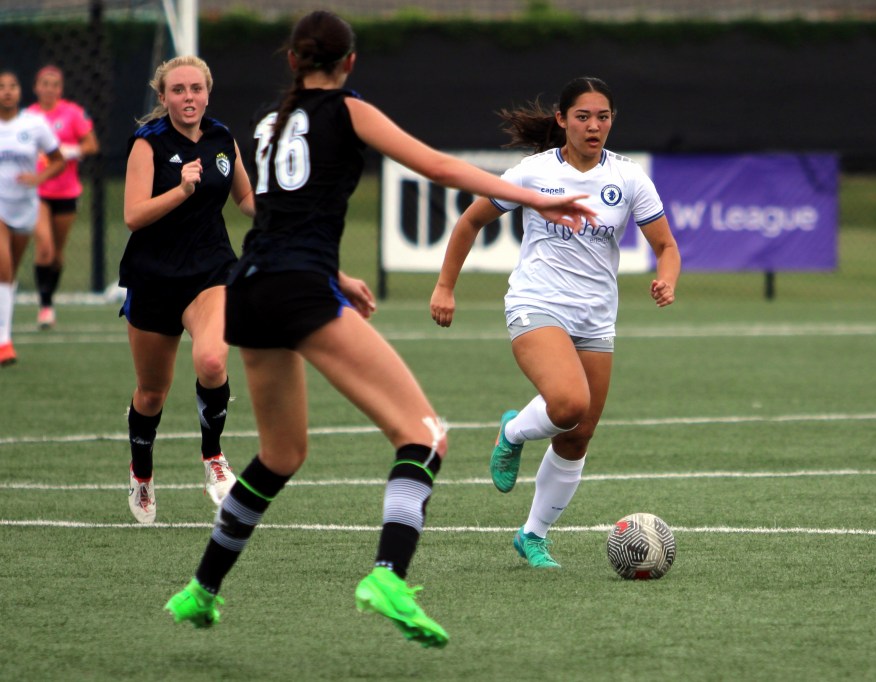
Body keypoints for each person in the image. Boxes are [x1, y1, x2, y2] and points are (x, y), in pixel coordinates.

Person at [163, 11, 596, 648]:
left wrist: (334, 274)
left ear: (292, 61)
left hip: (251, 287)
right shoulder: (348, 108)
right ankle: (388, 576)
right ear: (351, 63)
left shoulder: (269, 123)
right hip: (297, 288)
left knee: (280, 455)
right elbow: (439, 168)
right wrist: (540, 198)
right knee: (423, 436)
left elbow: (278, 218)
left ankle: (200, 589)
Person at [429, 76, 680, 570]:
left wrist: (666, 279)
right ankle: (514, 433)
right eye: (583, 116)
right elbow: (470, 221)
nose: (594, 126)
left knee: (577, 434)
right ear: (562, 120)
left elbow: (666, 246)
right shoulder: (532, 173)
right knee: (567, 402)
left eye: (603, 116)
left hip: (596, 316)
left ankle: (532, 535)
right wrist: (444, 286)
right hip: (536, 303)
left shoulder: (629, 179)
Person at [119, 55, 254, 524]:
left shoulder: (222, 138)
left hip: (210, 270)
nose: (188, 97)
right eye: (178, 90)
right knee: (152, 392)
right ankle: (141, 473)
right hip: (153, 277)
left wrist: (286, 207)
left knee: (213, 360)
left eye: (196, 88)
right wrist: (180, 190)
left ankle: (214, 459)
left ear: (208, 93)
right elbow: (133, 216)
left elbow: (246, 200)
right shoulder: (148, 143)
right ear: (163, 98)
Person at [0, 68, 65, 367]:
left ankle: (4, 330)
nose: (7, 91)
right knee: (3, 268)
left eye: (12, 85)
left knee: (9, 275)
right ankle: (4, 341)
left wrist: (39, 180)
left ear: (20, 91)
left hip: (25, 208)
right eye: (1, 86)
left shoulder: (34, 124)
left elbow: (57, 160)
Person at [27, 65, 100, 329]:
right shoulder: (28, 117)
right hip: (38, 191)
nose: (48, 88)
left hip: (66, 191)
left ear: (60, 88)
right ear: (36, 87)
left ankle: (50, 298)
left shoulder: (72, 113)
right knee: (44, 247)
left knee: (57, 254)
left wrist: (69, 150)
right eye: (43, 83)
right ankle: (45, 306)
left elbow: (92, 144)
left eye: (54, 84)